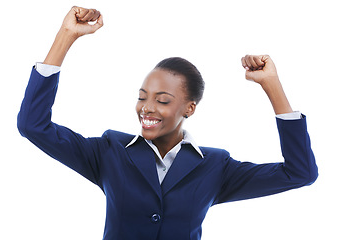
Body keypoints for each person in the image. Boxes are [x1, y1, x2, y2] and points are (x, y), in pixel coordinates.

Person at [17, 6, 318, 240]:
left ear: (190, 108)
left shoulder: (216, 166)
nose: (147, 108)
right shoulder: (111, 151)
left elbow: (300, 173)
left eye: (162, 100)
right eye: (142, 97)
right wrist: (66, 36)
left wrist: (272, 86)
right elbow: (33, 125)